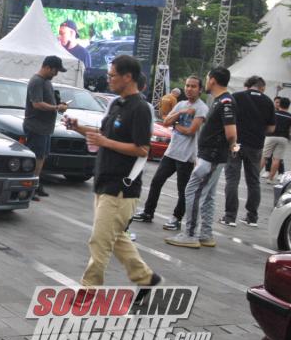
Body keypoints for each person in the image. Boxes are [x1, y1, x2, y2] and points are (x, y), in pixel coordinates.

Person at [63, 55, 161, 287]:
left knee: (99, 240)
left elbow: (142, 149)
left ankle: (89, 289)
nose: (109, 79)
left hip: (121, 188)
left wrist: (105, 143)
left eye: (112, 75)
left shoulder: (140, 109)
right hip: (104, 181)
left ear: (128, 77)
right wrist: (78, 128)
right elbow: (103, 137)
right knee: (116, 238)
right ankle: (146, 278)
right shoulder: (116, 104)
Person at [166, 67, 237, 248]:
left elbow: (231, 133)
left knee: (193, 191)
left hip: (211, 156)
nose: (206, 82)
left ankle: (190, 234)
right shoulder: (220, 100)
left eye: (207, 78)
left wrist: (228, 148)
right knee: (208, 195)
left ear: (212, 80)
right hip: (211, 156)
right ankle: (205, 234)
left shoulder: (225, 101)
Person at [133, 76, 208, 230]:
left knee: (183, 190)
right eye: (187, 85)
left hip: (187, 156)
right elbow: (166, 122)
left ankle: (176, 218)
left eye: (193, 86)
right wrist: (181, 113)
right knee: (156, 182)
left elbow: (190, 131)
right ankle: (148, 212)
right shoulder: (181, 104)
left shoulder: (202, 108)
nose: (189, 89)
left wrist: (176, 124)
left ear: (200, 89)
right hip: (171, 152)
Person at [221, 76, 275, 227]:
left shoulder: (236, 97)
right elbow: (271, 128)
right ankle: (252, 218)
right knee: (253, 181)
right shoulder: (268, 101)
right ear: (262, 87)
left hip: (236, 144)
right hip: (255, 146)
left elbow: (226, 118)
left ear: (247, 85)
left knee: (232, 179)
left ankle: (230, 217)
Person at [24, 55, 69, 201]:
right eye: (55, 71)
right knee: (36, 158)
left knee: (42, 157)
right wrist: (56, 107)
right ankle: (30, 188)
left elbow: (48, 101)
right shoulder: (36, 81)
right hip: (36, 126)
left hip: (45, 128)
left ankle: (36, 184)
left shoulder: (46, 82)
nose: (56, 75)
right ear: (48, 67)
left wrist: (59, 104)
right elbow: (37, 104)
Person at [262, 96, 291, 184]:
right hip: (283, 138)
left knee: (264, 156)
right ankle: (270, 179)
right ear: (288, 106)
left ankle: (255, 174)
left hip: (271, 136)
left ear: (279, 105)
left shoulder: (274, 113)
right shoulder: (290, 116)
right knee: (276, 159)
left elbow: (267, 124)